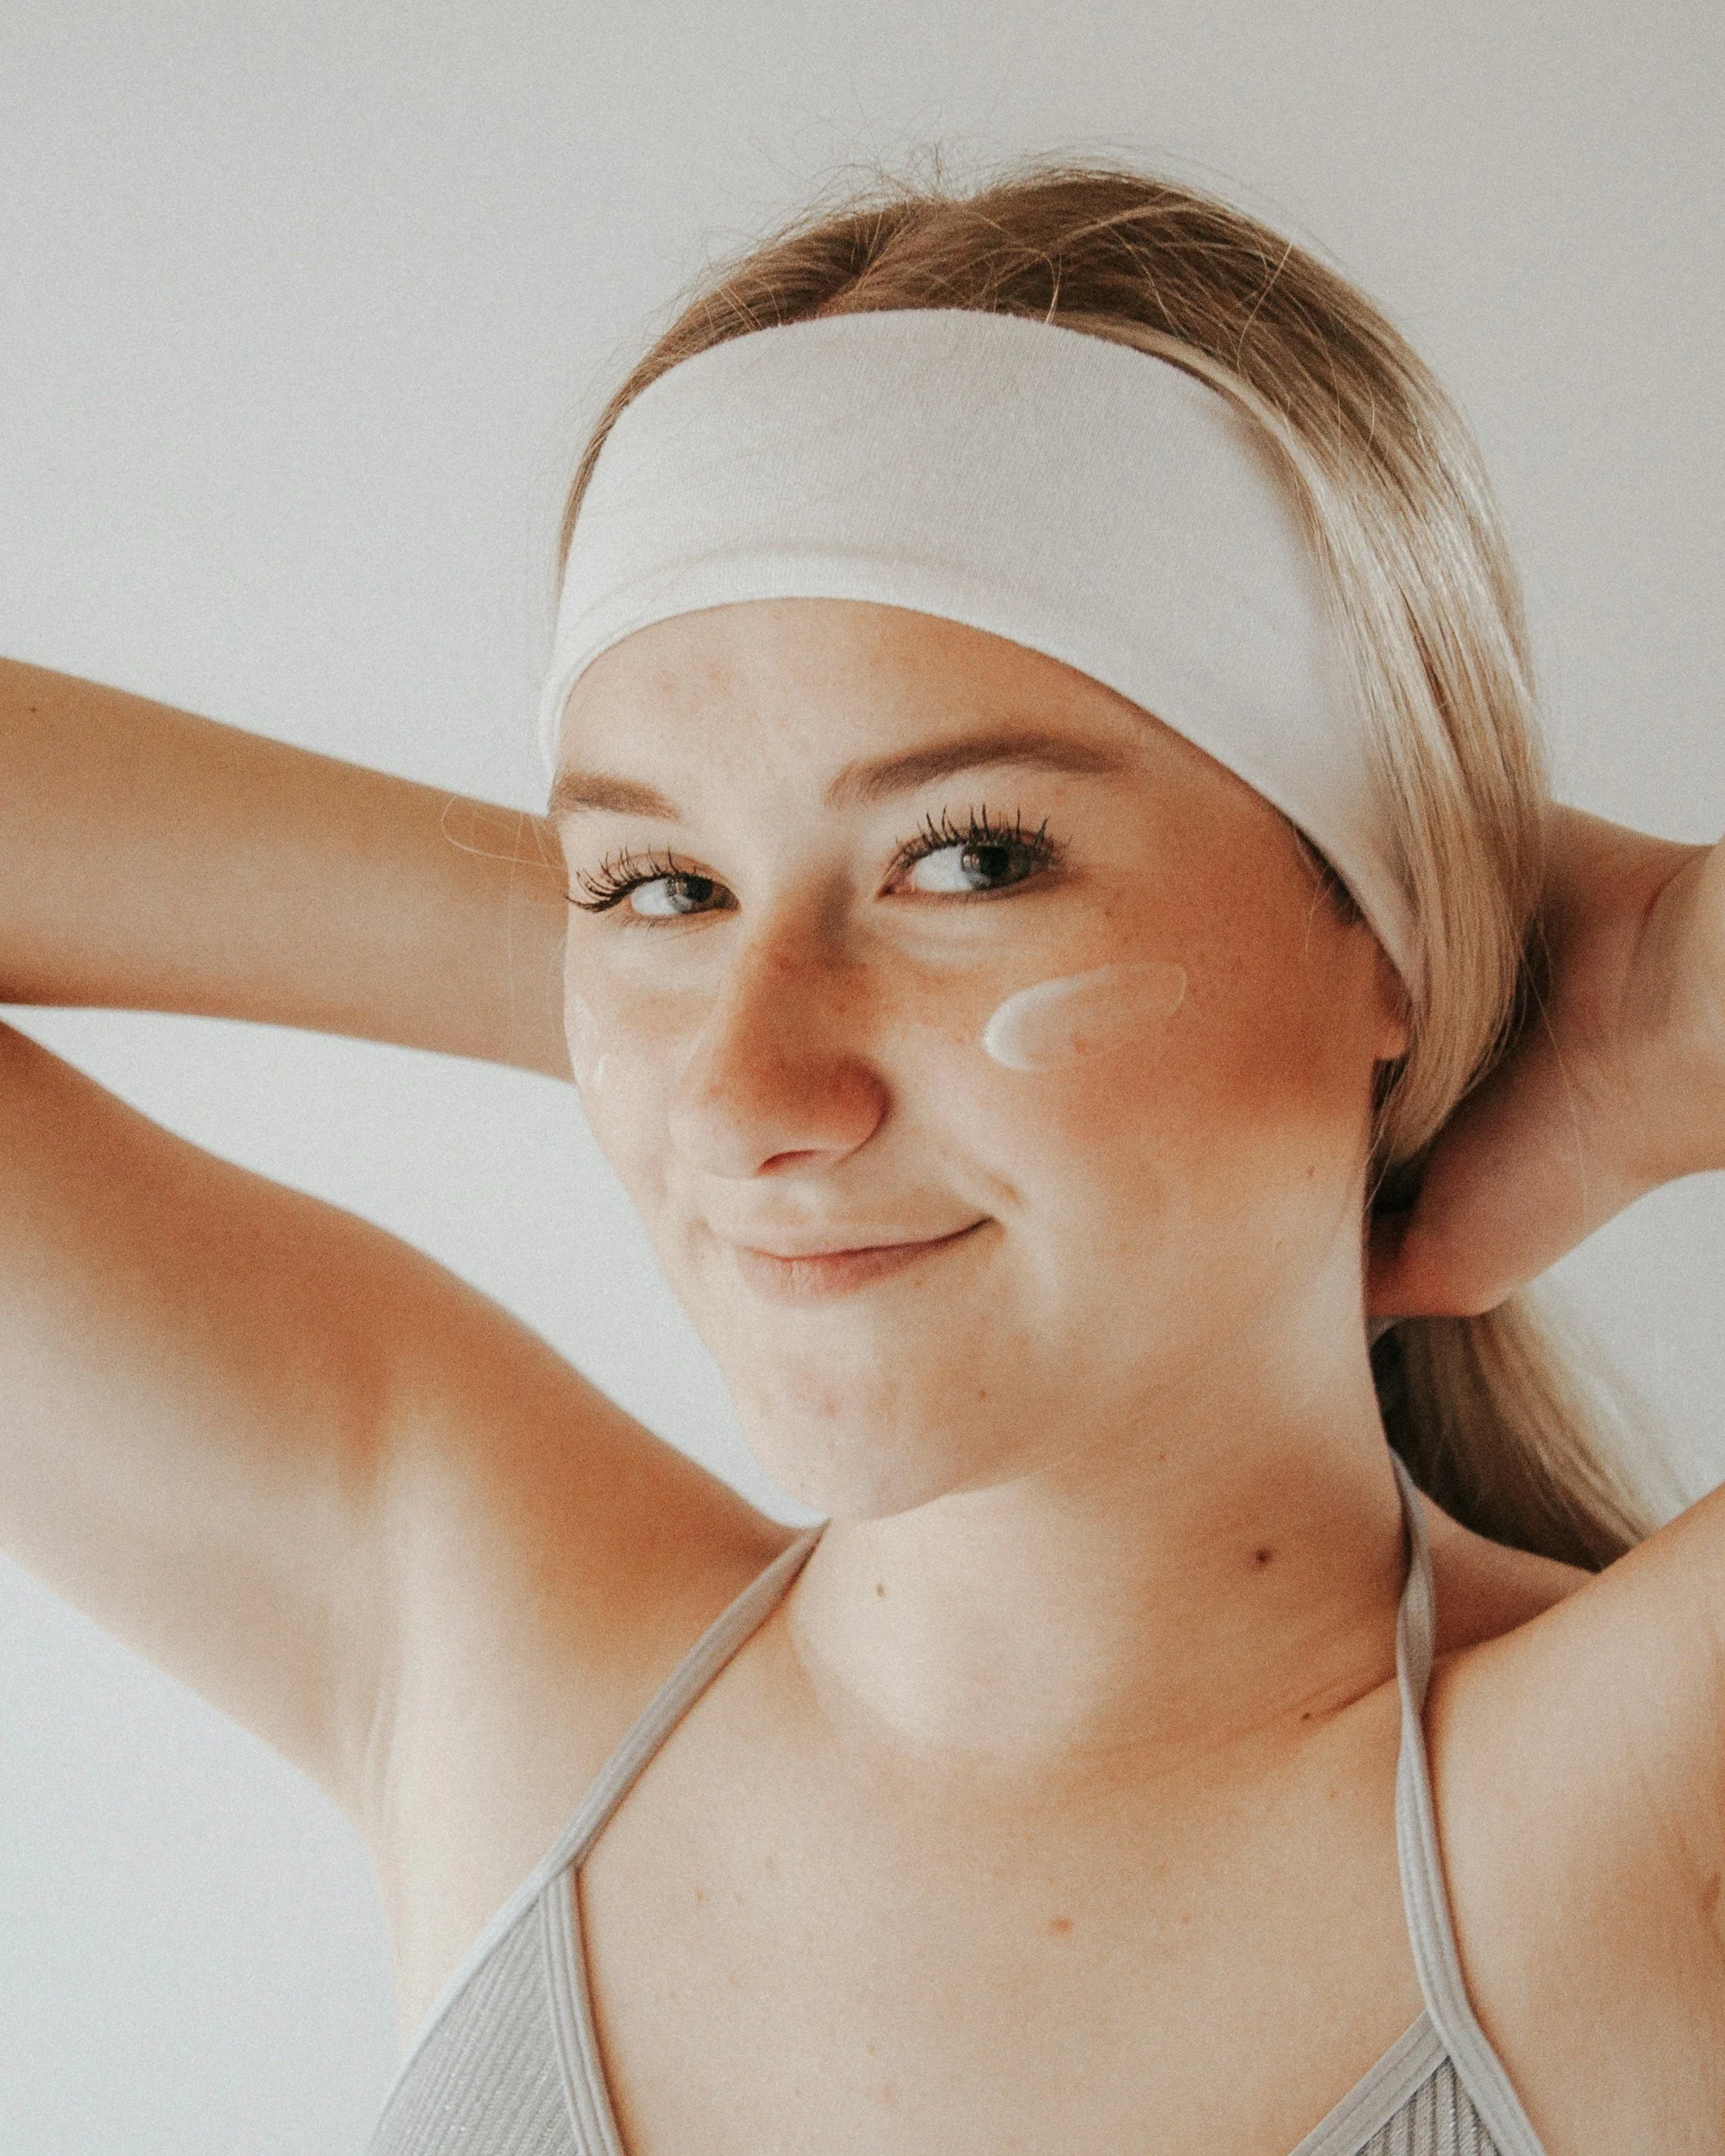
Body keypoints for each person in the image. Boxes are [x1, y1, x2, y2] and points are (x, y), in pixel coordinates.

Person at [3, 157, 1722, 2156]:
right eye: (651, 878)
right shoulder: (474, 1638)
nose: (750, 1097)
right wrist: (648, 981)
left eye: (971, 858)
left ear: (1384, 932)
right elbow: (732, 1058)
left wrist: (1656, 991)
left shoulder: (1646, 1815)